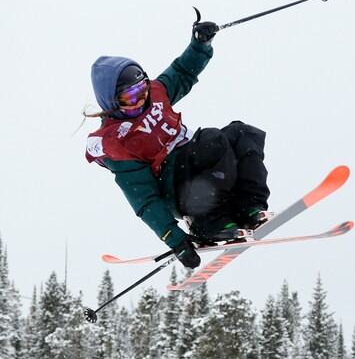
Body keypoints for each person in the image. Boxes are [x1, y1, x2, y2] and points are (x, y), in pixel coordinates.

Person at [85, 20, 270, 269]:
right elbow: (144, 200)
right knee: (211, 141)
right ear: (111, 102)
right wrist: (175, 239)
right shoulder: (117, 142)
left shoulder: (157, 94)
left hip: (196, 160)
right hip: (176, 188)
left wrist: (200, 44)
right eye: (130, 97)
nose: (140, 100)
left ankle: (251, 207)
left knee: (241, 133)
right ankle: (207, 222)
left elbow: (183, 72)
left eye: (143, 89)